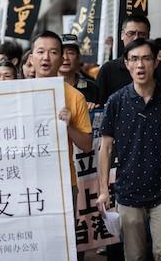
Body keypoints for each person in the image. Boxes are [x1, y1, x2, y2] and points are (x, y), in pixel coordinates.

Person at [96, 38, 161, 260]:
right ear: (127, 63)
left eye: (146, 59)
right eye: (134, 59)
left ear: (155, 63)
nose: (140, 65)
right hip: (129, 191)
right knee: (135, 255)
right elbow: (106, 148)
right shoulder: (116, 101)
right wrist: (103, 190)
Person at [29, 30, 92, 209]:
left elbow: (87, 145)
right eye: (40, 52)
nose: (46, 58)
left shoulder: (75, 97)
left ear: (61, 58)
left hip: (63, 181)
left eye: (53, 52)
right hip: (25, 181)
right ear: (32, 57)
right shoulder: (16, 93)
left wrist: (68, 126)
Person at [97, 15, 161, 106]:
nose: (136, 38)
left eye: (142, 34)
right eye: (131, 33)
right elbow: (99, 106)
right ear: (122, 35)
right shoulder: (108, 69)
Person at [58, 34, 100, 110]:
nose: (65, 58)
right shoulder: (46, 87)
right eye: (61, 53)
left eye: (70, 53)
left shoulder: (92, 88)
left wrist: (93, 109)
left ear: (78, 57)